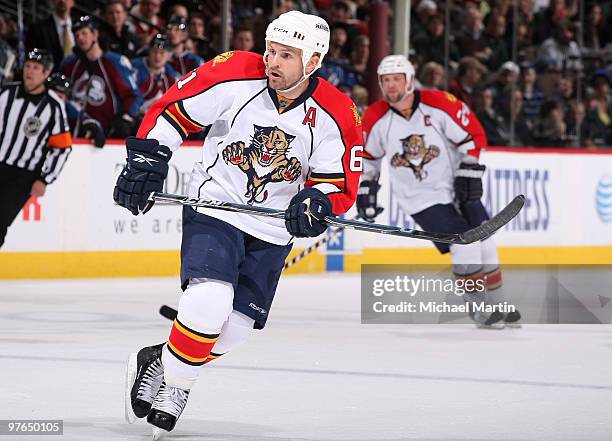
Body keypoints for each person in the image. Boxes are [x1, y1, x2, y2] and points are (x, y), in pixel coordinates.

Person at [114, 11, 362, 436]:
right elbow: (174, 110)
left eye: (287, 55)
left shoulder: (337, 112)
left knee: (233, 332)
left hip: (271, 231)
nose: (273, 61)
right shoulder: (234, 72)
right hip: (216, 208)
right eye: (271, 50)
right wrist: (149, 156)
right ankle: (178, 385)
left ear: (314, 61)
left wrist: (316, 202)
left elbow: (337, 182)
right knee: (207, 303)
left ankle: (160, 359)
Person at [357, 54, 520, 329]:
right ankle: (480, 308)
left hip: (458, 187)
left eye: (397, 79)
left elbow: (472, 135)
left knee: (486, 242)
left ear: (409, 81)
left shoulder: (439, 102)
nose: (391, 86)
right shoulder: (375, 116)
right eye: (386, 81)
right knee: (464, 243)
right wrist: (366, 190)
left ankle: (498, 303)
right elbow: (368, 158)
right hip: (420, 198)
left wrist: (468, 169)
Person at [0, 49, 72, 247]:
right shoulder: (6, 93)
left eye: (36, 68)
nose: (30, 71)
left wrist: (44, 179)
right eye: (28, 66)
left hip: (22, 177)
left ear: (46, 73)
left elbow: (63, 148)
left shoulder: (53, 106)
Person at [59, 15, 142, 139]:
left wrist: (125, 117)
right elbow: (59, 94)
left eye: (84, 33)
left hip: (108, 134)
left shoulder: (116, 62)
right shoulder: (69, 64)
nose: (80, 38)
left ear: (95, 34)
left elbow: (133, 95)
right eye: (76, 35)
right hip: (74, 132)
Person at [132, 33, 177, 118]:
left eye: (162, 53)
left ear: (169, 55)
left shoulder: (170, 74)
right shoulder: (135, 68)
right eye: (154, 51)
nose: (157, 56)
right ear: (149, 51)